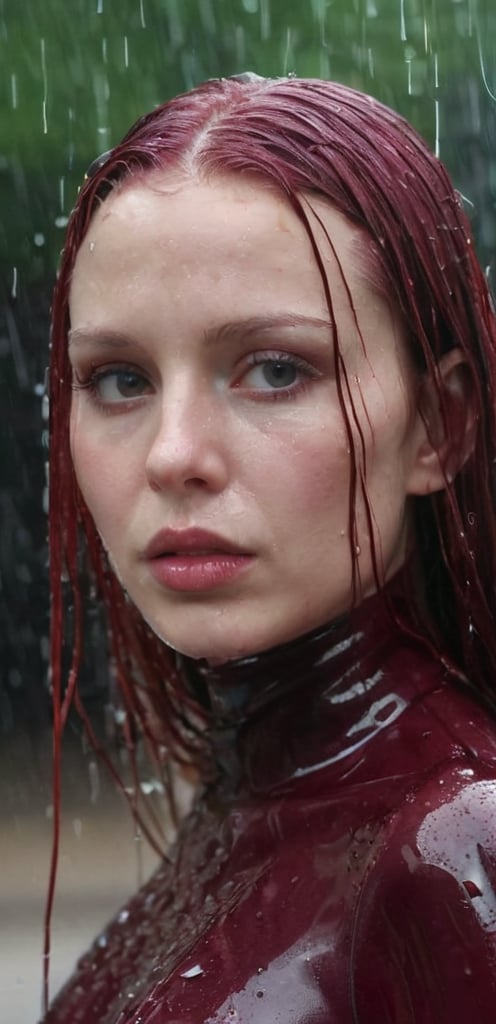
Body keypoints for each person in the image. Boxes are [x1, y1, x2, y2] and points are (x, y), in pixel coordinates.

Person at [42, 74, 496, 1023]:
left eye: (276, 369)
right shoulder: (252, 803)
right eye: (119, 379)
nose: (174, 456)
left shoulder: (454, 841)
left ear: (437, 427)